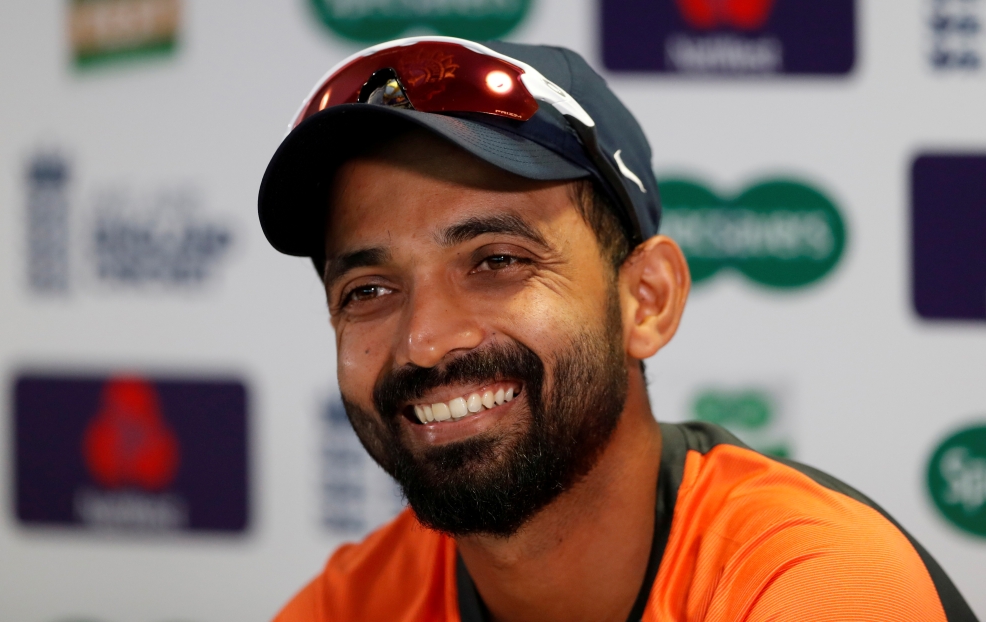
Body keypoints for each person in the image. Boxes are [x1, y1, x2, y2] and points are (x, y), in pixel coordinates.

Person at [258, 37, 977, 622]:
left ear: (647, 299)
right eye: (370, 289)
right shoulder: (353, 603)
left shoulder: (818, 583)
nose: (425, 339)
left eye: (498, 260)